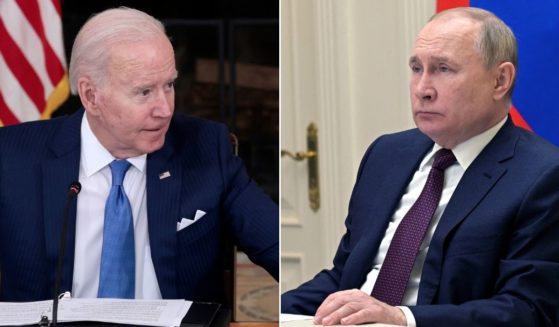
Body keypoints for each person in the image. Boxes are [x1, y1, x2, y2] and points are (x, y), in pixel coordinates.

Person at [281, 7, 559, 327]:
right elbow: (345, 277)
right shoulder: (386, 154)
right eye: (416, 68)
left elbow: (528, 311)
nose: (422, 89)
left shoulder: (543, 176)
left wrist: (402, 318)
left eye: (443, 69)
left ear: (500, 80)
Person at [0, 7, 278, 303]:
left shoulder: (207, 148)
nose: (165, 109)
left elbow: (275, 244)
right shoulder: (12, 157)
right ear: (91, 96)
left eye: (169, 85)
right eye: (144, 92)